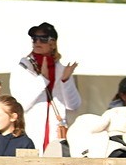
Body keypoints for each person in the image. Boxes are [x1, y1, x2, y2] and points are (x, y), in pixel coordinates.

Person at [11, 22, 81, 154]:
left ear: (53, 43)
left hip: (56, 135)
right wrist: (43, 79)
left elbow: (73, 106)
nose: (37, 42)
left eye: (43, 38)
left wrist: (65, 81)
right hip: (31, 134)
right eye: (34, 38)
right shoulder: (22, 68)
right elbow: (20, 105)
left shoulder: (60, 69)